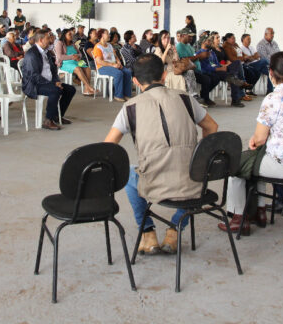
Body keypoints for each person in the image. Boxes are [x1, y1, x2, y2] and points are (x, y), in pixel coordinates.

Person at [104, 53, 218, 255]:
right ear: (165, 76)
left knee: (129, 173)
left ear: (136, 82)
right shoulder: (185, 99)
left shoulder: (129, 107)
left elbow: (108, 148)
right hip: (193, 183)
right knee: (193, 177)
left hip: (154, 185)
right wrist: (199, 157)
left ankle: (147, 232)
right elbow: (211, 126)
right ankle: (174, 230)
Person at [219, 52, 283, 235]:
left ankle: (238, 218)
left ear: (271, 72)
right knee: (257, 158)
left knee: (235, 165)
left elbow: (259, 138)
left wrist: (253, 141)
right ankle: (259, 211)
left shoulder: (273, 98)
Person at [21, 29, 77, 130]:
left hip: (48, 82)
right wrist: (52, 84)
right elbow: (33, 76)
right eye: (48, 38)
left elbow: (53, 70)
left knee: (70, 89)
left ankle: (56, 115)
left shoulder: (46, 52)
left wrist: (56, 81)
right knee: (55, 90)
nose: (50, 40)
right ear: (41, 40)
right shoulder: (32, 54)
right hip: (34, 84)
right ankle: (48, 120)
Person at [196, 35, 246, 107]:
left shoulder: (212, 52)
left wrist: (223, 66)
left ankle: (233, 77)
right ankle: (235, 100)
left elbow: (216, 64)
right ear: (203, 42)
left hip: (218, 69)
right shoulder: (200, 53)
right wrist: (220, 68)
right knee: (233, 77)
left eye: (210, 41)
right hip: (211, 72)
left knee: (237, 63)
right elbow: (205, 68)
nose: (210, 42)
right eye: (208, 41)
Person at [176, 28, 215, 106]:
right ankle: (203, 98)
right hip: (188, 71)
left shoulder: (189, 46)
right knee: (206, 79)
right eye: (189, 36)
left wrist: (202, 56)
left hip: (196, 70)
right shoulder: (180, 46)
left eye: (192, 36)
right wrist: (199, 56)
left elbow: (194, 56)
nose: (191, 38)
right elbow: (184, 60)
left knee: (214, 77)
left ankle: (204, 98)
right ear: (183, 35)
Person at [93, 28, 133, 102]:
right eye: (107, 33)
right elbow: (99, 61)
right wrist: (112, 65)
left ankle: (126, 94)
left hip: (113, 65)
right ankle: (118, 95)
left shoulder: (109, 45)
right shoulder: (98, 47)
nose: (109, 35)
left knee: (128, 72)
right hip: (103, 67)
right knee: (119, 73)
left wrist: (118, 63)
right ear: (102, 35)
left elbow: (115, 56)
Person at [54, 28, 95, 96]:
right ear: (64, 35)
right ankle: (88, 87)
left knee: (87, 68)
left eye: (71, 34)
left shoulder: (72, 43)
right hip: (66, 62)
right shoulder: (59, 43)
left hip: (77, 60)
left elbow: (80, 53)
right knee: (78, 68)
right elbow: (60, 56)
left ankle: (86, 90)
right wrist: (72, 57)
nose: (71, 36)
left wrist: (77, 56)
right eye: (69, 34)